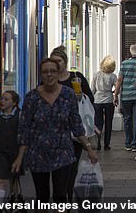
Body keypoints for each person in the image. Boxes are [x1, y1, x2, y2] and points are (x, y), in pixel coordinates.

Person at [12, 58, 97, 202]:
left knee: (60, 195)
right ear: (41, 75)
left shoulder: (68, 95)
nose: (49, 75)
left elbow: (76, 124)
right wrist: (20, 157)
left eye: (52, 71)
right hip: (38, 153)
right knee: (42, 196)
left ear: (58, 74)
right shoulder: (31, 97)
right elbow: (24, 128)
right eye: (45, 72)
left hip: (63, 152)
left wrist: (89, 148)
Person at [50, 45, 94, 202]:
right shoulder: (49, 80)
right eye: (53, 61)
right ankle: (61, 198)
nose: (56, 64)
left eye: (59, 60)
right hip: (55, 131)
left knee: (71, 166)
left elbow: (90, 99)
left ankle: (68, 198)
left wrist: (80, 95)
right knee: (58, 168)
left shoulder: (77, 78)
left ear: (65, 62)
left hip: (75, 131)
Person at [114, 44, 136, 152]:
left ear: (131, 52)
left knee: (127, 119)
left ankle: (128, 142)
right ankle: (135, 143)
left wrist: (115, 94)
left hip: (126, 96)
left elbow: (119, 80)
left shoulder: (124, 63)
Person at [92, 55, 117, 151]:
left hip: (97, 99)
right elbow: (117, 87)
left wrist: (92, 98)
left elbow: (92, 88)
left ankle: (97, 142)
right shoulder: (113, 76)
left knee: (98, 122)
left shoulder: (96, 74)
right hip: (108, 100)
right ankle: (107, 144)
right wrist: (114, 92)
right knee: (108, 122)